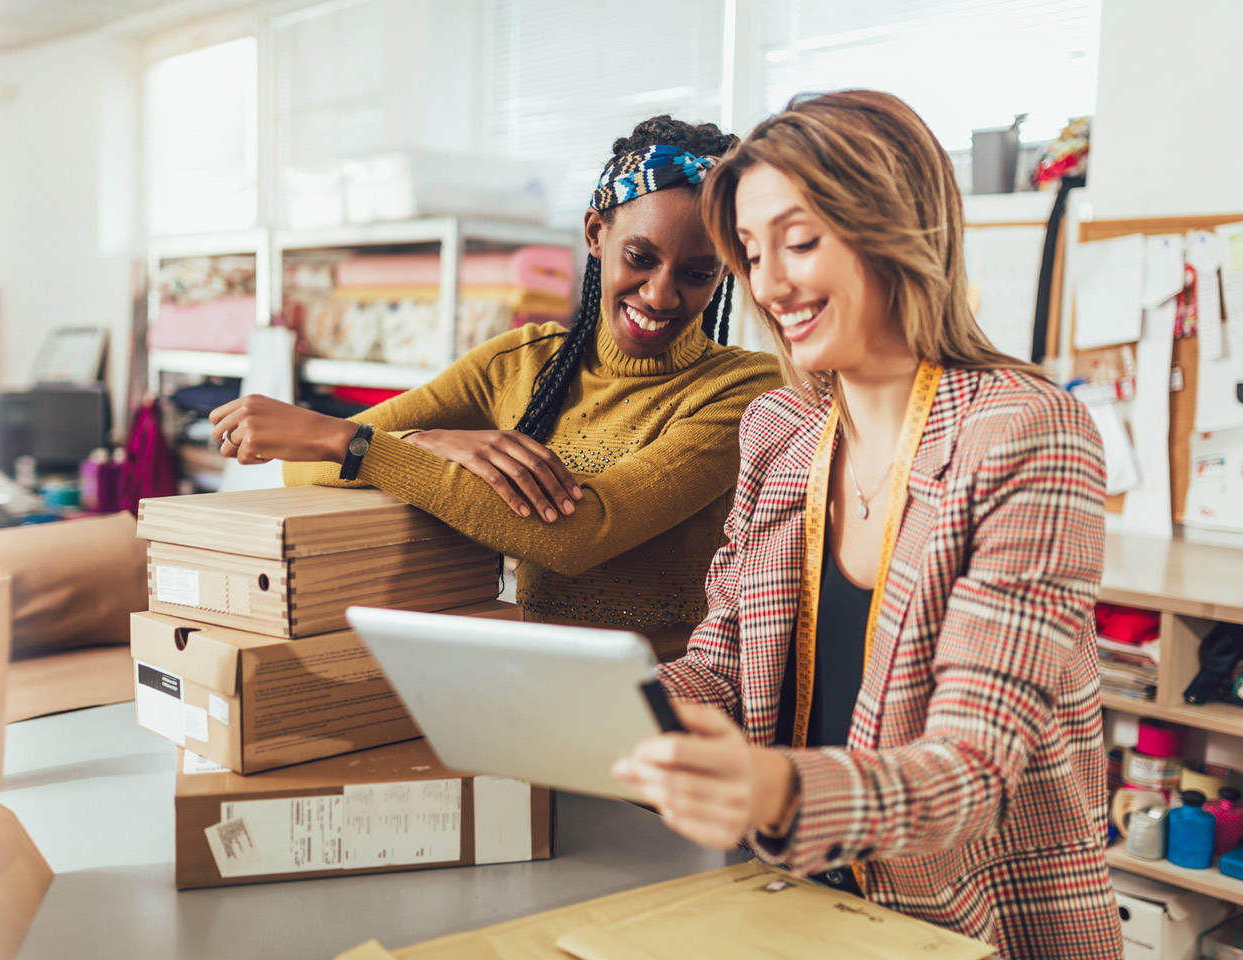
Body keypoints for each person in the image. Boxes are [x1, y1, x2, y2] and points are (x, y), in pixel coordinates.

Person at [611, 90, 1119, 958]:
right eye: (752, 252)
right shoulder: (781, 430)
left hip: (971, 926)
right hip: (792, 902)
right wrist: (621, 712)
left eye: (800, 242)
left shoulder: (1026, 433)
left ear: (893, 226)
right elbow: (726, 662)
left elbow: (970, 772)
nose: (770, 285)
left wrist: (771, 788)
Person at [207, 117, 782, 659]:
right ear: (595, 234)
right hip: (529, 694)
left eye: (697, 273)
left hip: (671, 711)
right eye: (640, 257)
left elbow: (583, 533)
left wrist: (364, 445)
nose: (660, 295)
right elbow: (304, 464)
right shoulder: (522, 361)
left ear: (726, 270)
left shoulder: (743, 390)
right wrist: (426, 440)